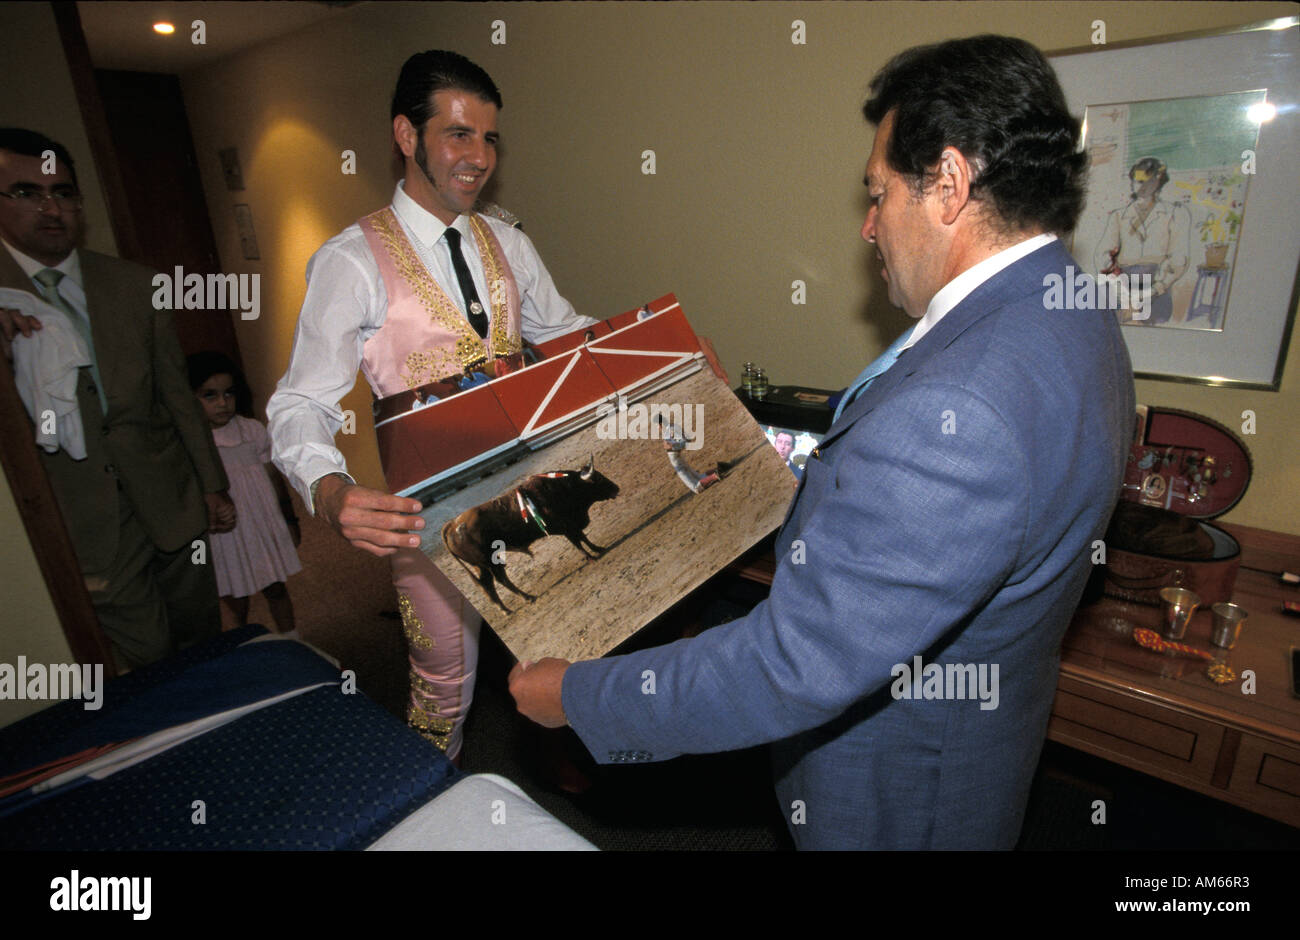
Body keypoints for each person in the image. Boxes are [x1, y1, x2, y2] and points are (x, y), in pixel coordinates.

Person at [509, 35, 1135, 849]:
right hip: (975, 745)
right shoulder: (1072, 313)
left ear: (948, 183)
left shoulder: (963, 408)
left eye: (877, 195)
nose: (869, 227)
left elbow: (791, 664)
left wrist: (576, 697)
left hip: (899, 798)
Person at [267, 51, 594, 759]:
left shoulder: (508, 240)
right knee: (442, 692)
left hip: (531, 491)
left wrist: (672, 347)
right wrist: (329, 491)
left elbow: (566, 332)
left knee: (561, 664)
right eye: (458, 134)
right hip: (431, 520)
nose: (478, 156)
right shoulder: (350, 260)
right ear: (406, 136)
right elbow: (299, 401)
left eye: (489, 138)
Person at [0, 128, 233, 671]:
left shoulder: (134, 285)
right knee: (142, 658)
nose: (51, 208)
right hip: (80, 516)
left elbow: (177, 396)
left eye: (63, 192)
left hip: (170, 498)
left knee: (200, 638)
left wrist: (213, 485)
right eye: (27, 193)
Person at [189, 351, 302, 634]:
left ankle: (294, 641)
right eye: (210, 396)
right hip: (226, 532)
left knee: (275, 586)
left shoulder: (252, 430)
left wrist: (289, 519)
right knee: (235, 598)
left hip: (261, 522)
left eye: (229, 394)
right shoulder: (195, 443)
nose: (222, 403)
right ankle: (243, 648)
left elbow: (273, 477)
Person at [1093, 157, 1191, 325]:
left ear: (1158, 181)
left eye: (1148, 181)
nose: (1142, 186)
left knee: (1147, 320)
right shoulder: (1119, 216)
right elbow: (1103, 254)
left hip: (1156, 286)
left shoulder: (1173, 215)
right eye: (1138, 181)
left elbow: (1179, 257)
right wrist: (1119, 288)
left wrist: (1156, 288)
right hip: (1121, 284)